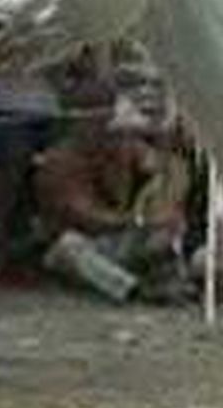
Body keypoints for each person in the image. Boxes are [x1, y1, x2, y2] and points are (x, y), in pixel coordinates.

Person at [34, 91, 190, 303]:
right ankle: (134, 291)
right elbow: (86, 217)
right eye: (98, 121)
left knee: (168, 226)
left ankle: (177, 282)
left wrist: (162, 199)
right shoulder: (58, 163)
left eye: (107, 120)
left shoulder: (120, 146)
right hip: (84, 245)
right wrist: (141, 221)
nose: (104, 128)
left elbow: (166, 166)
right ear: (78, 125)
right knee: (68, 247)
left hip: (121, 238)